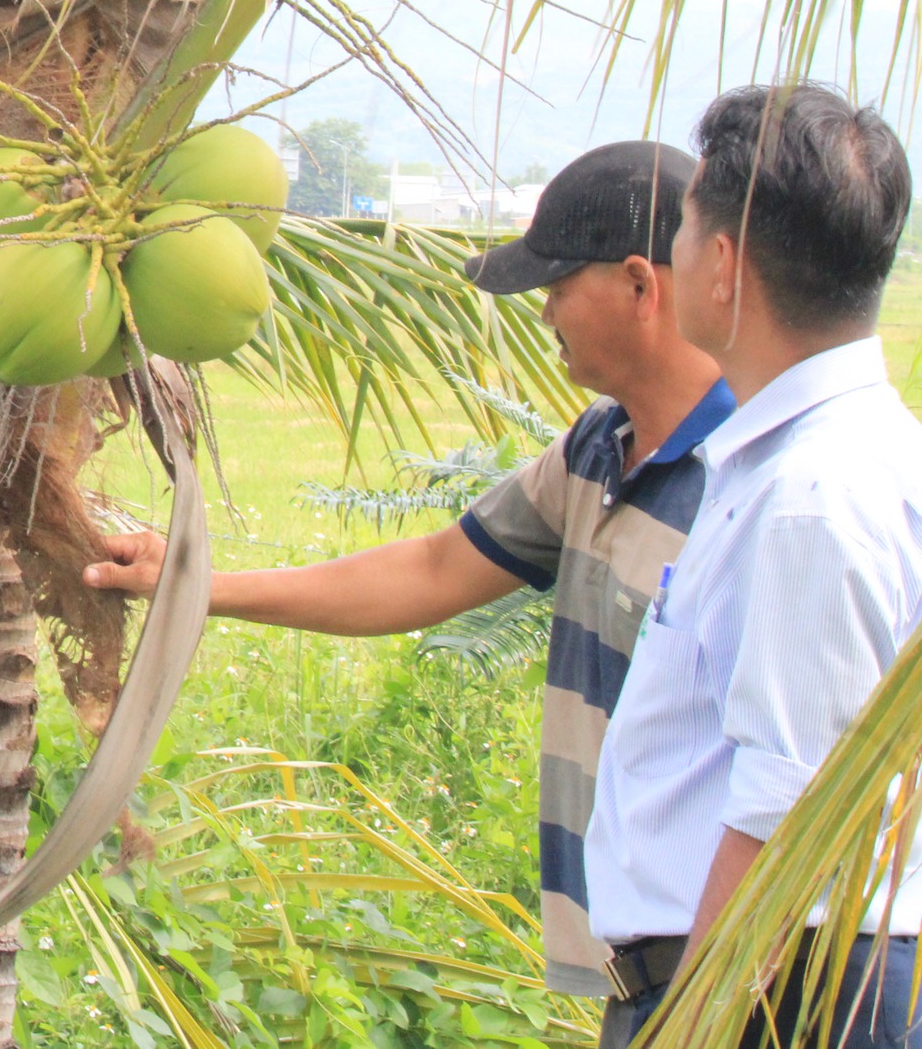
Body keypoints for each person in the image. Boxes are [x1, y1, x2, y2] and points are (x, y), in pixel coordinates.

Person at [83, 139, 732, 1000]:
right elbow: (433, 569)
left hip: (728, 972)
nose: (547, 315)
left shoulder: (749, 487)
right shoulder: (597, 450)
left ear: (642, 286)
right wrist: (193, 584)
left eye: (558, 288)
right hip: (635, 972)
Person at [583, 84, 922, 1049]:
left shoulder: (814, 494)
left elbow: (788, 811)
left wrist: (690, 1023)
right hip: (778, 976)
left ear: (724, 264)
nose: (676, 253)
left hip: (773, 986)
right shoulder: (825, 457)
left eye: (685, 228)